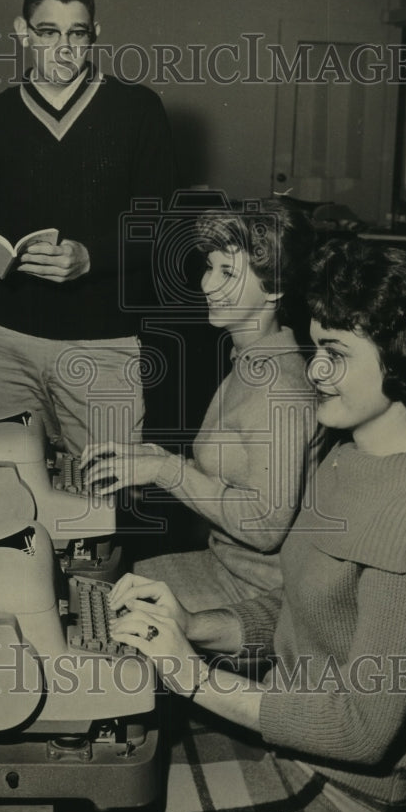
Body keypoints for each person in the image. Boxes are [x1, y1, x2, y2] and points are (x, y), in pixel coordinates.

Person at [106, 240, 406, 812]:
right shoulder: (348, 456)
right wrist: (199, 626)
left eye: (335, 352)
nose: (314, 370)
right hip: (293, 732)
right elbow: (306, 606)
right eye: (313, 347)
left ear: (403, 358)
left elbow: (363, 730)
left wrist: (193, 675)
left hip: (352, 791)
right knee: (106, 781)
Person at [0, 0, 176, 456]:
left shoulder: (138, 109)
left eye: (77, 34)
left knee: (102, 496)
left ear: (95, 35)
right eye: (47, 33)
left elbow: (161, 227)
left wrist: (91, 257)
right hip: (3, 340)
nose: (63, 49)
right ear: (22, 31)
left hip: (102, 343)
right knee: (14, 487)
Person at [81, 200, 326, 608]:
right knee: (109, 583)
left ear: (275, 287)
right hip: (228, 566)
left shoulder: (279, 390)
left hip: (265, 593)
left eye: (228, 272)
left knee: (108, 598)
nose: (208, 285)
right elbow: (235, 473)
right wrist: (149, 459)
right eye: (210, 267)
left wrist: (165, 469)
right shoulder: (249, 361)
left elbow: (266, 526)